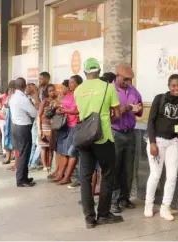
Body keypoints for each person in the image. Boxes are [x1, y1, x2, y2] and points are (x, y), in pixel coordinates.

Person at [74, 58, 122, 229]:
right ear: (99, 71)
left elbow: (80, 111)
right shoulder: (108, 87)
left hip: (84, 138)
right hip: (103, 137)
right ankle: (103, 214)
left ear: (85, 72)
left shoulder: (78, 90)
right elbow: (117, 114)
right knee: (107, 175)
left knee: (85, 178)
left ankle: (89, 218)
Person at [144, 74, 178, 221]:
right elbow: (150, 122)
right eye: (174, 85)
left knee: (172, 176)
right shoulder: (159, 98)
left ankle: (165, 207)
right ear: (169, 86)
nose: (177, 88)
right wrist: (152, 143)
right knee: (156, 174)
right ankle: (148, 204)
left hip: (173, 141)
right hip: (157, 141)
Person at [111, 64, 143, 213]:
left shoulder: (133, 91)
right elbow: (109, 114)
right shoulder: (110, 91)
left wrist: (138, 109)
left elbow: (140, 111)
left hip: (130, 133)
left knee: (128, 168)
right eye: (125, 79)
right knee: (115, 168)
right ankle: (113, 200)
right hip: (115, 133)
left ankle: (125, 198)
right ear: (117, 76)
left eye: (130, 80)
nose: (127, 82)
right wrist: (125, 109)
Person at [9, 77, 38, 187]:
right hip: (23, 128)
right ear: (25, 86)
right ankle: (21, 180)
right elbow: (34, 113)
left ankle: (24, 177)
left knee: (23, 153)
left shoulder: (14, 97)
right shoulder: (22, 99)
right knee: (24, 154)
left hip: (16, 126)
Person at [54, 76, 82, 185]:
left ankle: (67, 176)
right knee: (63, 151)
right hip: (65, 124)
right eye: (69, 83)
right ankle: (61, 173)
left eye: (72, 82)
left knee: (71, 152)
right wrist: (59, 109)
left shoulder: (79, 95)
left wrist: (64, 110)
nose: (70, 84)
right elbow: (64, 106)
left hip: (75, 125)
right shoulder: (69, 94)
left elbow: (77, 110)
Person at [37, 84, 57, 172]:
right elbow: (39, 115)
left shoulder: (57, 101)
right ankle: (45, 166)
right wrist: (39, 129)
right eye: (50, 91)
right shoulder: (44, 101)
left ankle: (49, 165)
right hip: (44, 127)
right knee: (44, 147)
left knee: (51, 147)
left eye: (53, 90)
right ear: (47, 92)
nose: (52, 92)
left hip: (53, 127)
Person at [26, 83, 42, 171]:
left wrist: (36, 93)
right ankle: (30, 163)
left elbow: (39, 106)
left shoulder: (36, 97)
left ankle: (33, 163)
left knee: (38, 143)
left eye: (28, 87)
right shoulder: (28, 98)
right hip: (34, 122)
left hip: (38, 121)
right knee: (34, 143)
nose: (26, 89)